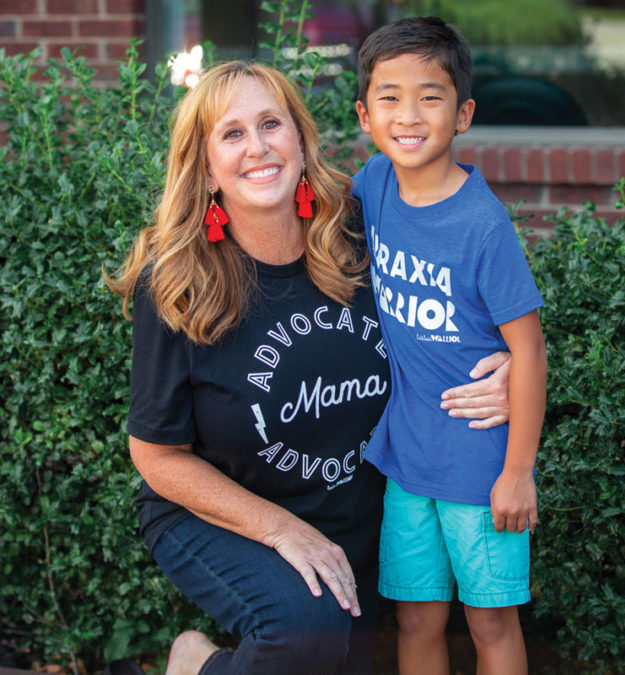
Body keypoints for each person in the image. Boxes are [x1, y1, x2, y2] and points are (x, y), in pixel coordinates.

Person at [106, 60, 512, 675]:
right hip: (219, 511)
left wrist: (507, 367)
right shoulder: (177, 280)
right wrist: (279, 530)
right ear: (206, 167)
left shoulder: (362, 227)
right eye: (232, 133)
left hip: (353, 516)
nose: (258, 147)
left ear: (300, 138)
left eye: (271, 123)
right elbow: (157, 454)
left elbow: (462, 298)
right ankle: (194, 663)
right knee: (305, 631)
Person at [352, 17, 547, 675]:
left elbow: (530, 349)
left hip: (479, 461)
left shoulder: (481, 224)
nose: (408, 115)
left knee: (489, 622)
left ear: (462, 112)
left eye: (429, 96)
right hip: (407, 460)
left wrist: (517, 470)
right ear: (364, 113)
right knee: (415, 615)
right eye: (389, 96)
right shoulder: (372, 184)